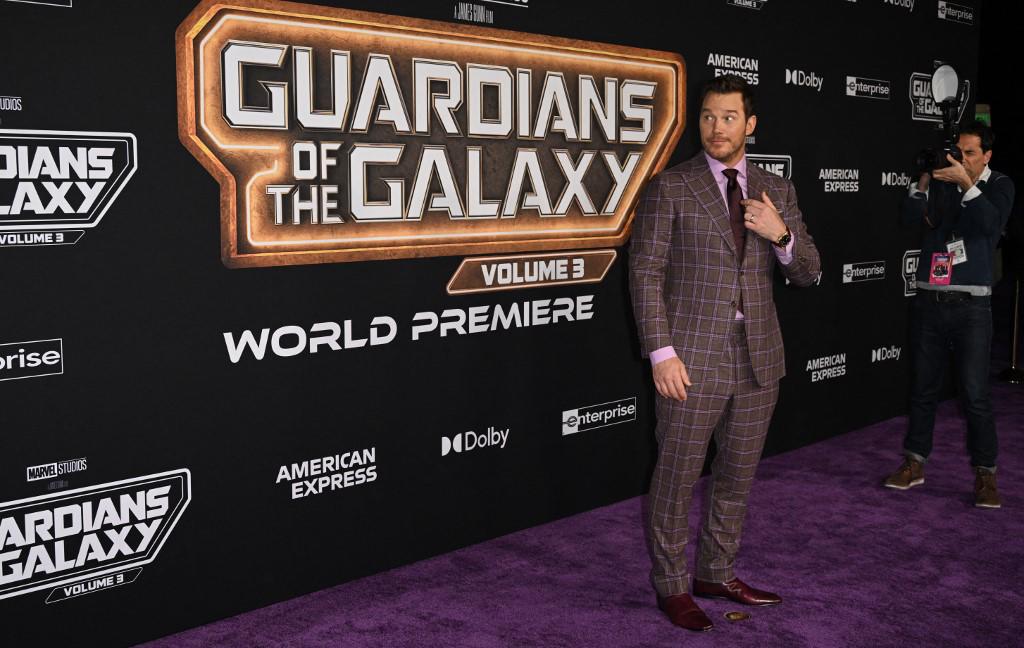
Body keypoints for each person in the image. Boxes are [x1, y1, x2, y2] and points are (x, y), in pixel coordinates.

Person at [629, 74, 820, 632]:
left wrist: (780, 235)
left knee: (736, 476)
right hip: (690, 359)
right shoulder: (671, 186)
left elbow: (809, 272)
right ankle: (671, 585)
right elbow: (645, 273)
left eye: (729, 117)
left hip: (758, 356)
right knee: (676, 477)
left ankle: (716, 572)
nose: (717, 127)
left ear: (750, 124)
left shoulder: (777, 189)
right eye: (709, 116)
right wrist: (661, 352)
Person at [884, 120, 1015, 508]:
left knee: (974, 394)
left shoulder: (1000, 185)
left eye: (970, 153)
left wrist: (966, 184)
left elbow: (989, 226)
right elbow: (910, 218)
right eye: (958, 151)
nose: (962, 158)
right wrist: (925, 181)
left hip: (972, 306)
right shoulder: (942, 182)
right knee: (923, 389)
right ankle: (914, 463)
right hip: (929, 300)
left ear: (987, 156)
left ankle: (986, 473)